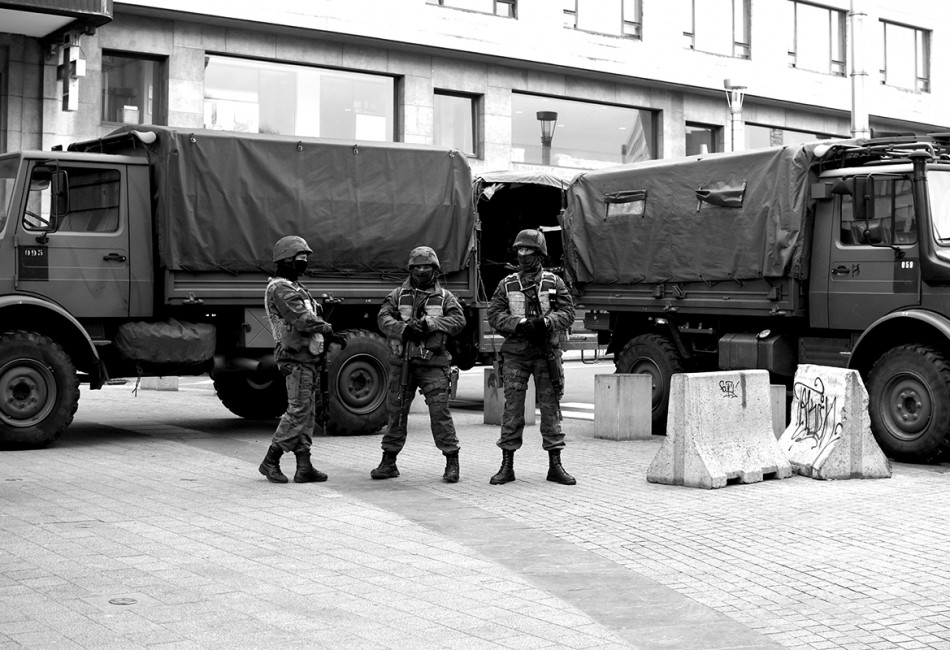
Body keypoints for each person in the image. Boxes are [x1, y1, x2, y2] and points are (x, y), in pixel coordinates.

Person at [486, 229, 576, 485]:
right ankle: (507, 464)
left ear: (540, 254)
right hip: (516, 355)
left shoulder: (554, 283)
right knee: (512, 410)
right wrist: (519, 324)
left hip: (546, 354)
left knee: (551, 410)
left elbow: (568, 312)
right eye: (520, 251)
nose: (523, 255)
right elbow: (494, 314)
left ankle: (555, 465)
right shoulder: (507, 284)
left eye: (528, 251)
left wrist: (546, 323)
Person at [373, 246, 466, 482]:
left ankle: (452, 461)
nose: (422, 271)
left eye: (427, 267)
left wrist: (431, 325)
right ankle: (389, 461)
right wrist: (404, 329)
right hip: (403, 364)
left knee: (440, 413)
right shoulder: (397, 295)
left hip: (433, 364)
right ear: (411, 269)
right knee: (396, 412)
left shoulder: (445, 297)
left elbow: (458, 320)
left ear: (435, 270)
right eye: (418, 267)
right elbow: (383, 318)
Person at [258, 235, 344, 484]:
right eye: (299, 259)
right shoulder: (281, 289)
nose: (304, 263)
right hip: (295, 358)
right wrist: (329, 330)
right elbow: (302, 319)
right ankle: (271, 460)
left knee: (307, 414)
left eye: (305, 258)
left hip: (307, 358)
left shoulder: (295, 287)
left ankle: (304, 466)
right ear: (285, 261)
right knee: (297, 412)